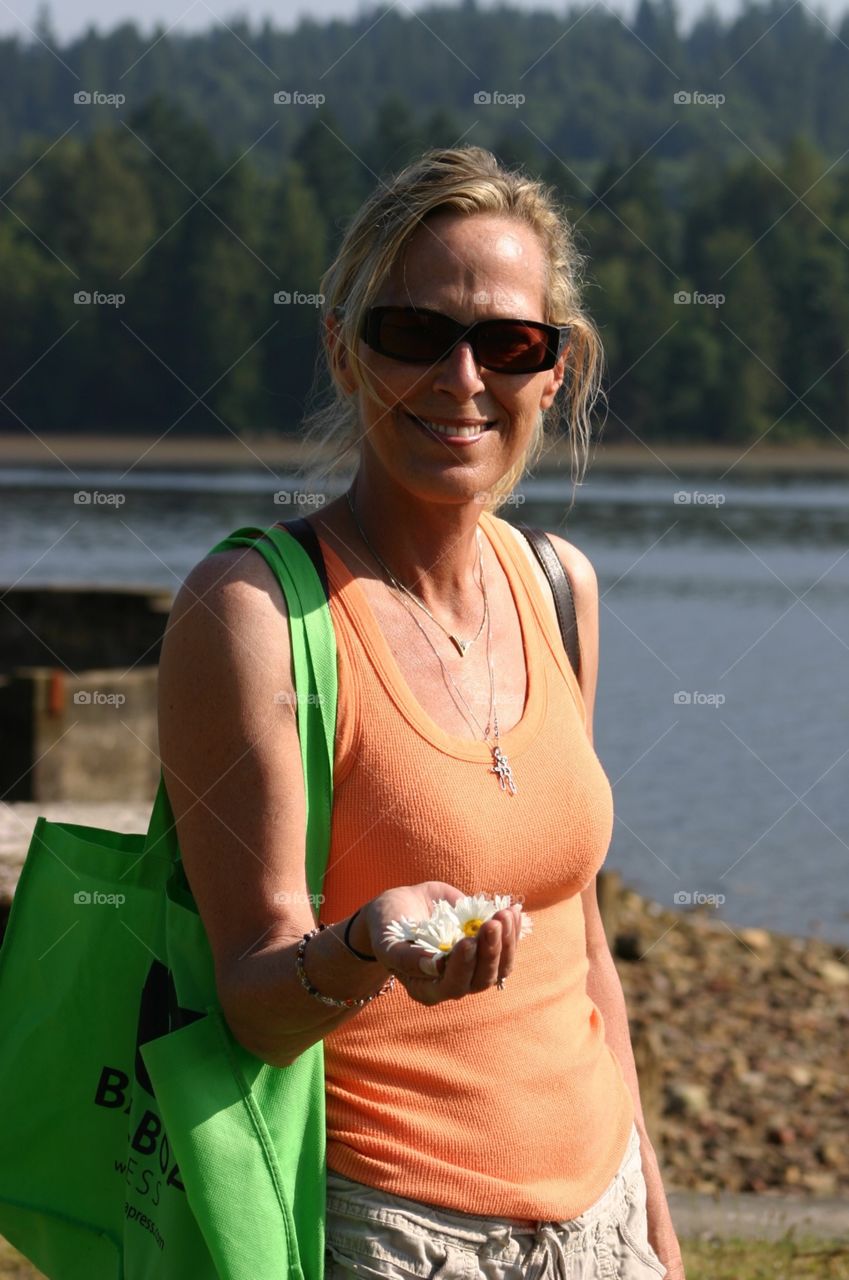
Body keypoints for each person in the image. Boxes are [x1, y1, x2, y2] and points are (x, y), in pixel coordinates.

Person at [157, 145, 685, 1280]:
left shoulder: (559, 585)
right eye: (413, 335)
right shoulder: (252, 612)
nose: (461, 379)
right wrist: (364, 944)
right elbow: (250, 994)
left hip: (602, 1215)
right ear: (345, 351)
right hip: (388, 1228)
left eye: (507, 343)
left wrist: (654, 1221)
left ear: (555, 370)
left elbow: (586, 948)